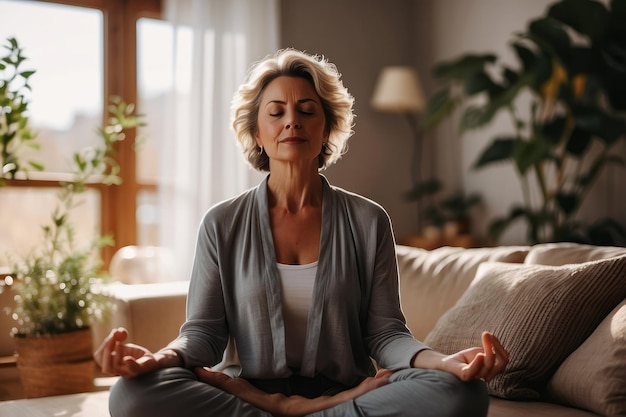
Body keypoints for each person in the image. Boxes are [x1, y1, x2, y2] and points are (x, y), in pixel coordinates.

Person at [94, 48, 509, 417]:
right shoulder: (221, 223)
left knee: (461, 394)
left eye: (307, 110)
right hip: (244, 392)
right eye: (276, 112)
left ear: (327, 127)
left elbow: (385, 334)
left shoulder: (368, 220)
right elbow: (203, 335)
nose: (292, 120)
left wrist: (443, 362)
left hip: (347, 393)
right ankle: (281, 409)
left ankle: (308, 410)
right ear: (257, 132)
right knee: (131, 396)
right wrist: (159, 360)